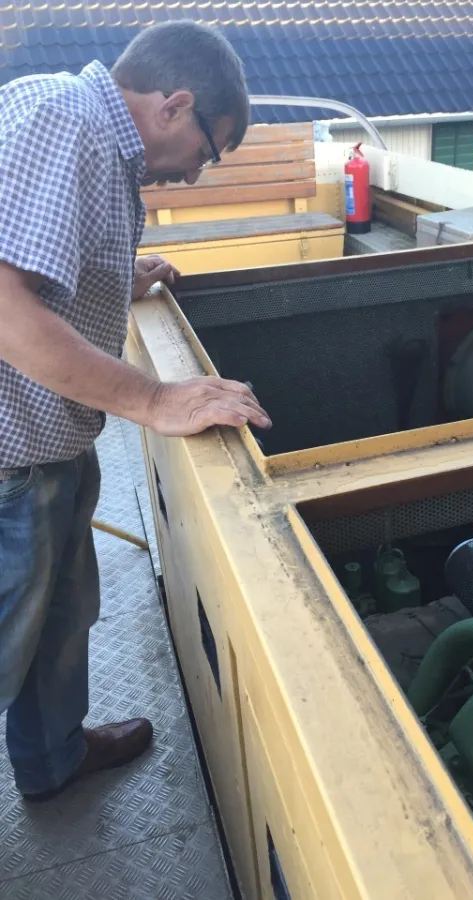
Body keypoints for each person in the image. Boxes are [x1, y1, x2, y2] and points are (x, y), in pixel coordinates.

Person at [0, 20, 272, 802]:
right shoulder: (65, 121)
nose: (197, 173)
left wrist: (122, 275)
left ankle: (52, 756)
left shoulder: (94, 143)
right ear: (172, 105)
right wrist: (155, 397)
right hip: (9, 460)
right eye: (208, 150)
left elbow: (45, 270)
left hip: (47, 449)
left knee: (60, 619)